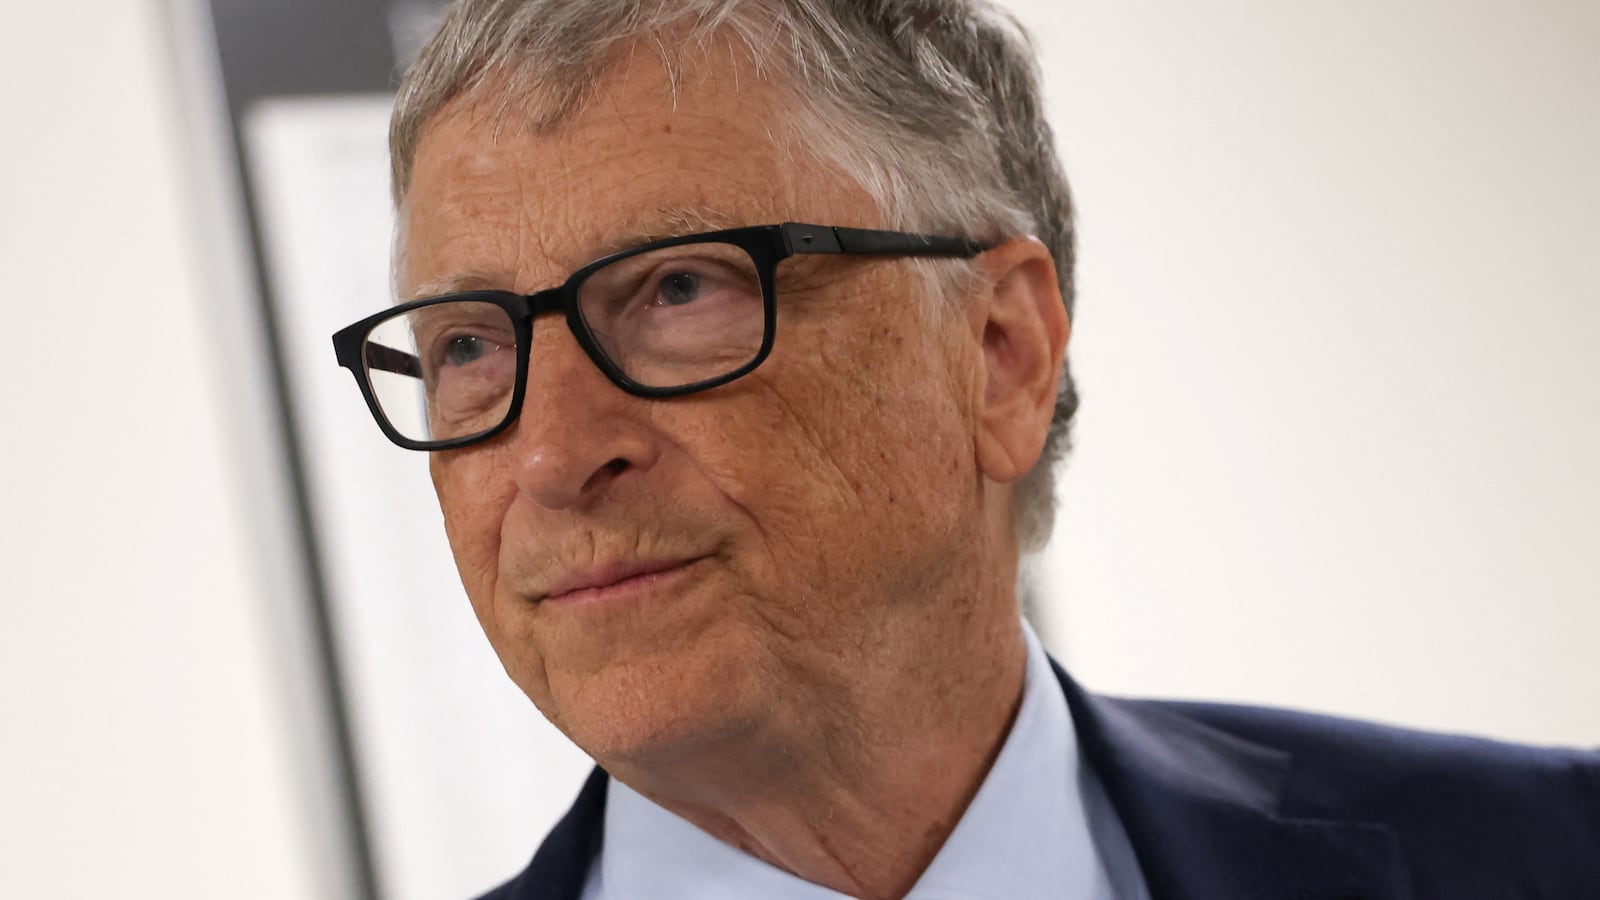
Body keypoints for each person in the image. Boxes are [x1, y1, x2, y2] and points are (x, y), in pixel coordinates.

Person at [331, 1, 1600, 897]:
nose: (553, 454)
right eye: (469, 348)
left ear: (1000, 353)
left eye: (678, 292)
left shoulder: (1551, 854)